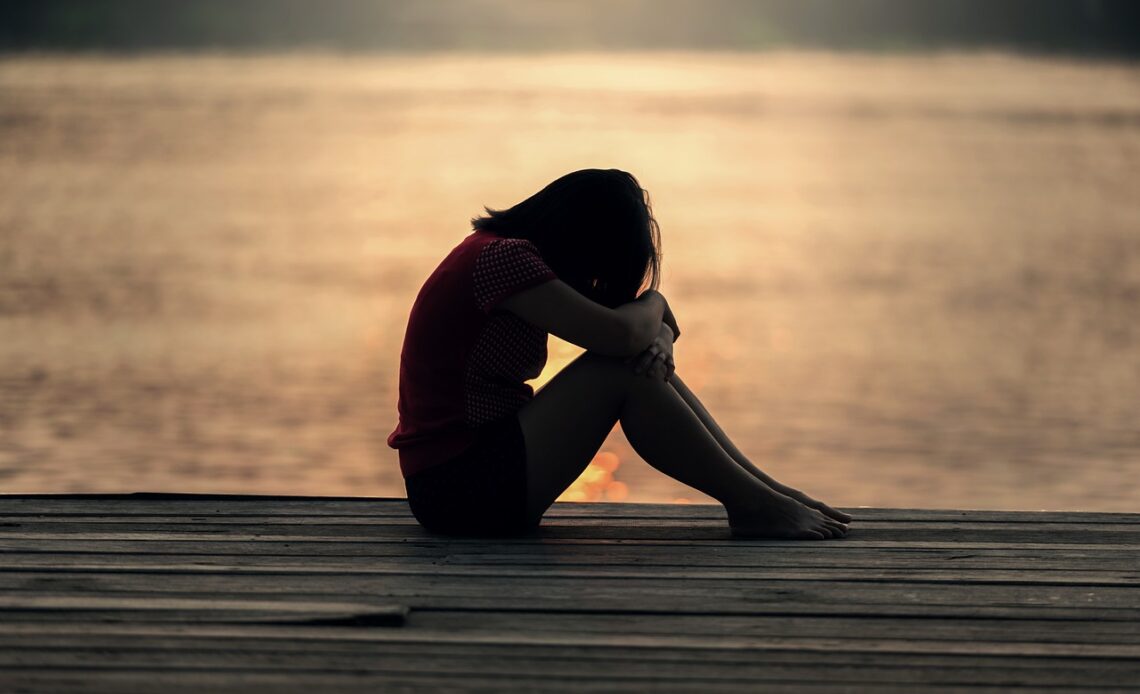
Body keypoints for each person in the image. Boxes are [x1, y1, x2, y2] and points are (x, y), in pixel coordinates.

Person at [387, 169, 851, 539]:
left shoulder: (502, 257)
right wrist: (656, 303)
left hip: (470, 479)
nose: (595, 281)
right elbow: (622, 335)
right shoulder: (503, 260)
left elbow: (639, 333)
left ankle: (764, 493)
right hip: (458, 489)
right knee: (616, 370)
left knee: (627, 364)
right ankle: (755, 504)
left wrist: (660, 336)